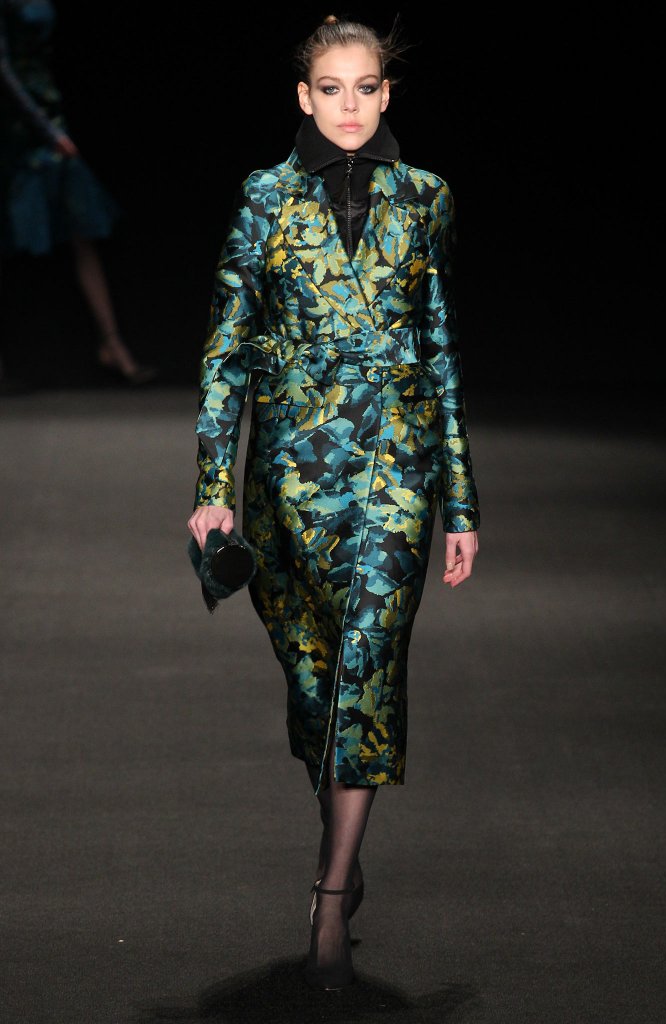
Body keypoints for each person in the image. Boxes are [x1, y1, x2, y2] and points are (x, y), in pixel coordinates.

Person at [187, 14, 480, 991]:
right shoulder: (264, 197)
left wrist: (461, 502)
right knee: (317, 689)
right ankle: (340, 856)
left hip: (394, 475)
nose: (349, 105)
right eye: (330, 88)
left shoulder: (425, 198)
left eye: (365, 87)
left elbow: (439, 349)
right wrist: (211, 489)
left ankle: (329, 896)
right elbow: (229, 347)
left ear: (386, 94)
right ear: (302, 97)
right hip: (290, 479)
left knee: (368, 674)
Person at [0, 0, 156, 388]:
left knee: (81, 226)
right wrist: (45, 129)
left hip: (46, 106)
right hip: (17, 120)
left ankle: (112, 344)